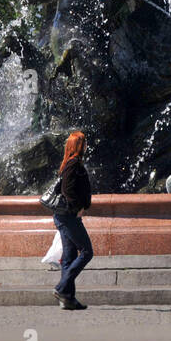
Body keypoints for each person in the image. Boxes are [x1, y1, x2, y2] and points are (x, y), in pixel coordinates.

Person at [52, 131, 94, 310]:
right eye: (84, 143)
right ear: (78, 145)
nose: (86, 146)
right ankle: (62, 288)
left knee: (69, 257)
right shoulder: (74, 164)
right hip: (69, 216)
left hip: (63, 216)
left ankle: (68, 299)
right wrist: (78, 208)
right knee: (87, 252)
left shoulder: (68, 163)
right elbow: (68, 191)